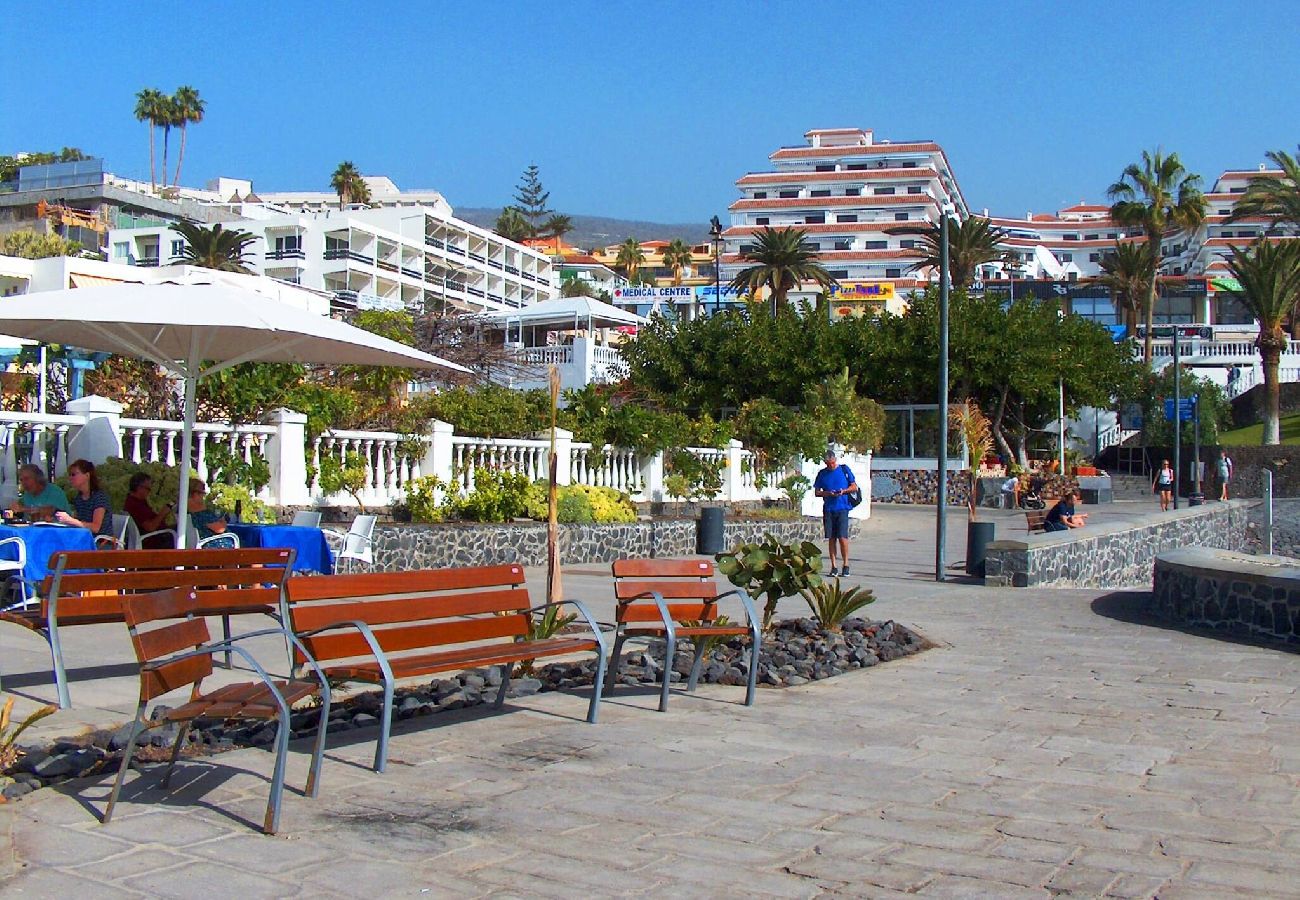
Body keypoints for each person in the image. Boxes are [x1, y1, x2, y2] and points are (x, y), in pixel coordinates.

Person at [813, 447, 856, 577]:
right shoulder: (822, 474)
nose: (831, 465)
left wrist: (843, 491)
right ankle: (834, 566)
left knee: (843, 538)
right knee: (831, 538)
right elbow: (817, 492)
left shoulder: (844, 469)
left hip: (842, 508)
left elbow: (854, 486)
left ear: (835, 460)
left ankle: (846, 564)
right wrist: (827, 493)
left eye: (832, 463)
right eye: (828, 464)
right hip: (829, 509)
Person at [55, 459, 114, 539]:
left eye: (73, 474)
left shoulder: (99, 497)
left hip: (101, 543)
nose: (70, 478)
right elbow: (79, 522)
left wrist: (70, 520)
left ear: (87, 476)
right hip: (84, 540)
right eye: (70, 475)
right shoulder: (79, 498)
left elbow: (96, 528)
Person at [123, 472, 175, 549]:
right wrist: (163, 512)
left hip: (157, 535)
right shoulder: (135, 505)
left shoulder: (138, 501)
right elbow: (150, 527)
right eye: (148, 489)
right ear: (139, 488)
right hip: (153, 540)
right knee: (182, 530)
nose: (149, 492)